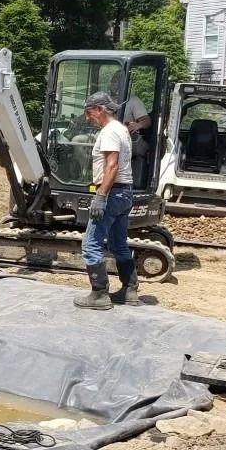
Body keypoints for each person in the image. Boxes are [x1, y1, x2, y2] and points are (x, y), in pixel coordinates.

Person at [74, 91, 139, 310]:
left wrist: (101, 197)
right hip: (125, 193)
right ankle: (129, 290)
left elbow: (112, 165)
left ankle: (99, 295)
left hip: (112, 194)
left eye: (89, 112)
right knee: (119, 245)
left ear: (101, 109)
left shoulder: (110, 132)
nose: (87, 117)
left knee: (90, 245)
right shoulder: (121, 129)